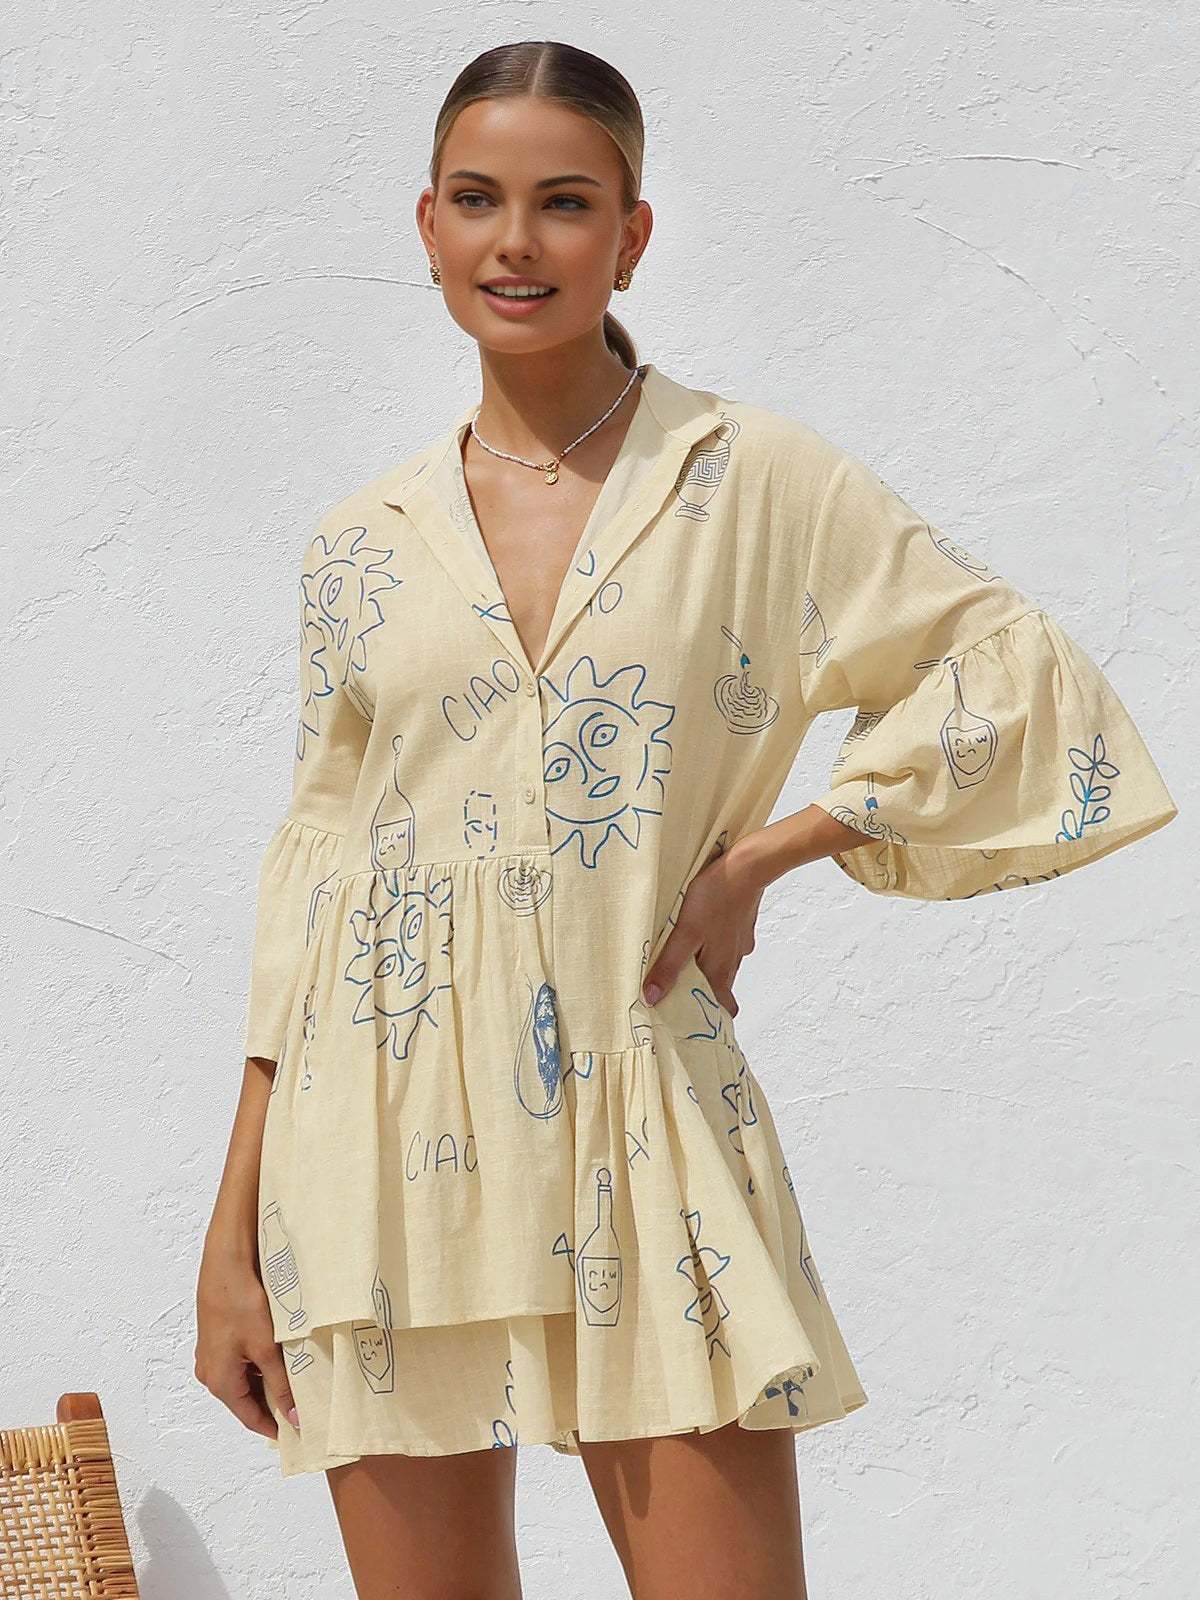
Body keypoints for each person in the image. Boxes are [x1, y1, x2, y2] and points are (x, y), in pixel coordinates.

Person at [194, 38, 1178, 1600]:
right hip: (371, 1136)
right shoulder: (360, 543)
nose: (516, 242)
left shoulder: (753, 479)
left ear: (632, 233)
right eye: (477, 200)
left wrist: (771, 855)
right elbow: (316, 879)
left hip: (643, 1107)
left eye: (565, 202)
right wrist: (233, 1234)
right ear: (428, 227)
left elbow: (1008, 666)